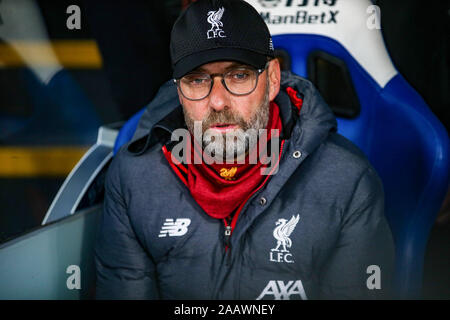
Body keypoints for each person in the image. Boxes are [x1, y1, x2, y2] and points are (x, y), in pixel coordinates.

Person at [95, 0, 395, 300]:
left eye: (239, 76)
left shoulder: (346, 180)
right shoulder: (135, 177)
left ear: (272, 79)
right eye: (197, 80)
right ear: (179, 91)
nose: (218, 102)